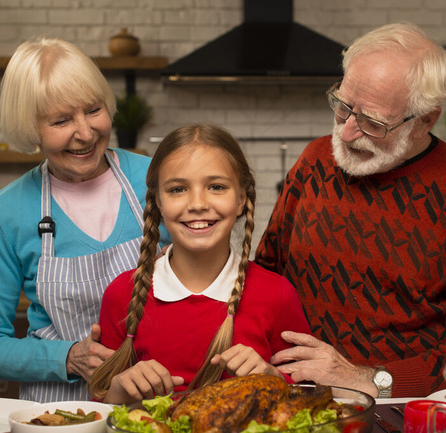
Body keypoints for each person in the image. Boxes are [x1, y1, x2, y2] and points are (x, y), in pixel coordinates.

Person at [255, 22, 446, 398]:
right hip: (293, 401)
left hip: (400, 415)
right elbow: (267, 276)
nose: (346, 132)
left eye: (372, 122)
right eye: (343, 107)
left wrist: (370, 379)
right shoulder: (314, 161)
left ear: (425, 120)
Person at [0, 37, 169, 402]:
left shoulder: (157, 178)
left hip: (163, 397)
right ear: (31, 129)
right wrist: (68, 357)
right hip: (62, 412)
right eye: (61, 120)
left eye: (93, 110)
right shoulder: (5, 214)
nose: (86, 133)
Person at [89, 123, 311, 404]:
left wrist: (273, 379)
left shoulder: (277, 294)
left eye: (216, 187)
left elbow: (308, 399)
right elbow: (101, 410)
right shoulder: (122, 294)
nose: (197, 203)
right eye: (178, 189)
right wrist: (118, 392)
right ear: (158, 201)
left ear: (241, 198)